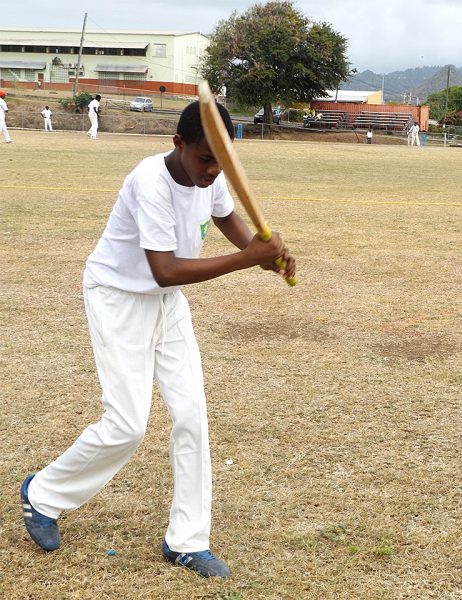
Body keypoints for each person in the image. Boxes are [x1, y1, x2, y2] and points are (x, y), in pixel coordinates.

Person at [20, 101, 295, 577]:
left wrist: (261, 251)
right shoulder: (150, 182)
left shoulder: (212, 174)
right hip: (118, 296)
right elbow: (164, 270)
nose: (212, 171)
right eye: (205, 159)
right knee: (127, 425)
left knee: (192, 415)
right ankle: (42, 494)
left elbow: (226, 215)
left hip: (166, 304)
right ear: (178, 145)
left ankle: (187, 540)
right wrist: (249, 258)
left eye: (222, 161)